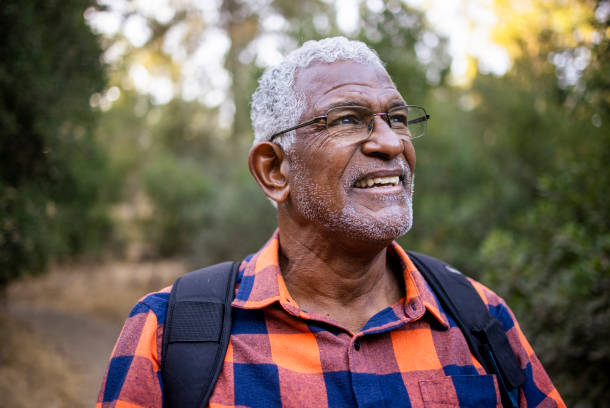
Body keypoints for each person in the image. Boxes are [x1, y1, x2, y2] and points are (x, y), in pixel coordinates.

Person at [97, 37, 564, 408]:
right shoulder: (167, 333)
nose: (390, 143)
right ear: (274, 170)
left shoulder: (480, 319)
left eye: (397, 118)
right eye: (348, 119)